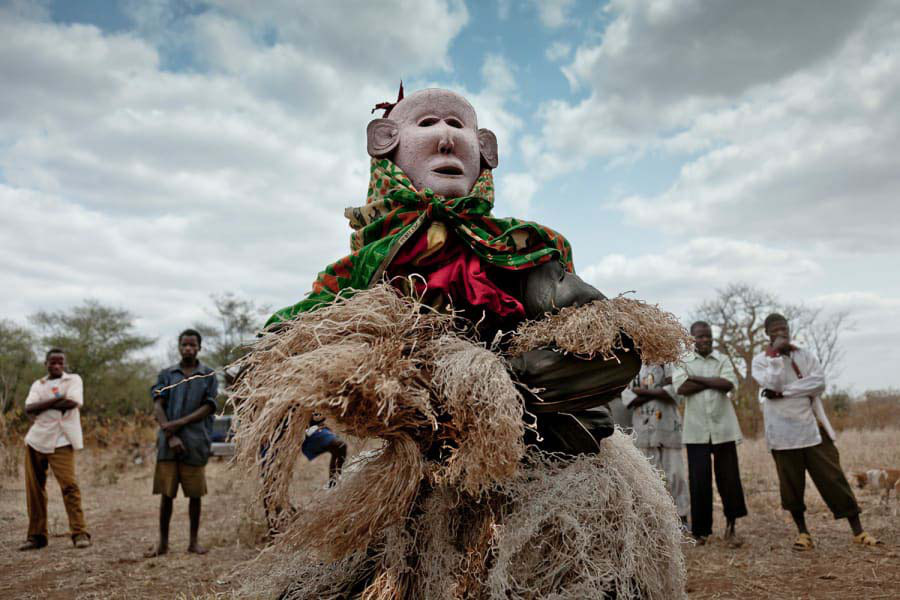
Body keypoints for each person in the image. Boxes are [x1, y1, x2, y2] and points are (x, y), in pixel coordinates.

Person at [751, 313, 879, 550]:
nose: (782, 334)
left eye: (785, 329)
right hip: (781, 434)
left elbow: (818, 383)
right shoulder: (761, 360)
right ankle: (803, 534)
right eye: (776, 330)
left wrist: (783, 394)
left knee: (834, 478)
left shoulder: (804, 355)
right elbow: (772, 384)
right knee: (791, 485)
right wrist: (777, 361)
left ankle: (858, 531)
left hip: (812, 430)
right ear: (767, 334)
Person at [673, 321, 747, 545]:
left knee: (729, 480)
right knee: (699, 481)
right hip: (696, 432)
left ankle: (731, 527)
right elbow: (681, 388)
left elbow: (727, 385)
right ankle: (701, 532)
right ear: (692, 339)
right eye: (700, 337)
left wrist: (696, 378)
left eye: (708, 337)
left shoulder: (722, 359)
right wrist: (711, 382)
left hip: (724, 430)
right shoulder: (683, 361)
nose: (704, 340)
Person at [146, 329, 219, 557]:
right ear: (179, 347)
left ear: (199, 347)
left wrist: (179, 423)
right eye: (184, 345)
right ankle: (163, 543)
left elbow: (209, 406)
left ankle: (193, 542)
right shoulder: (167, 374)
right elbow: (158, 404)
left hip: (196, 442)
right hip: (168, 444)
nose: (188, 348)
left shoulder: (208, 374)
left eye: (192, 345)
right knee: (167, 496)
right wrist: (170, 433)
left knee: (195, 495)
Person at [19, 348, 91, 550]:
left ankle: (79, 533)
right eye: (53, 362)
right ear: (46, 364)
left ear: (65, 364)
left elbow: (72, 403)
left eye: (60, 362)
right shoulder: (38, 384)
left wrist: (43, 405)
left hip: (62, 440)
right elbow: (29, 408)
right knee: (35, 490)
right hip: (36, 440)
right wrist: (56, 401)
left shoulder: (73, 380)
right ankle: (36, 536)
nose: (57, 366)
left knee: (69, 486)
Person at [622, 363, 689, 525]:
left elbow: (674, 392)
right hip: (643, 430)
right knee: (646, 478)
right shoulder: (632, 366)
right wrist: (658, 392)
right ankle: (652, 521)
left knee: (676, 475)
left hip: (667, 428)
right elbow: (628, 398)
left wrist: (642, 393)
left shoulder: (670, 364)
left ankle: (682, 517)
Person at [302, 415, 347, 488]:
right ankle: (336, 476)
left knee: (337, 451)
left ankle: (334, 479)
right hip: (316, 434)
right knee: (340, 447)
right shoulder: (310, 425)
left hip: (319, 433)